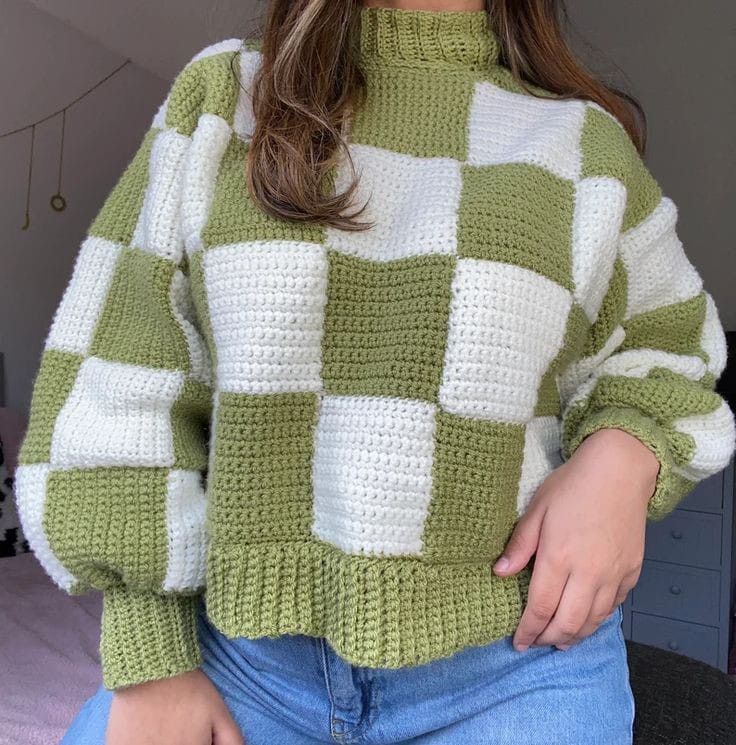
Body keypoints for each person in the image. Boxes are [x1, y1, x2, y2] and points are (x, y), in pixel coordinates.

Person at [15, 1, 735, 743]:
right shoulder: (223, 99)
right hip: (236, 666)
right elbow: (120, 378)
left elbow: (669, 344)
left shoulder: (585, 145)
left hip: (516, 669)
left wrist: (624, 456)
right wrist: (151, 658)